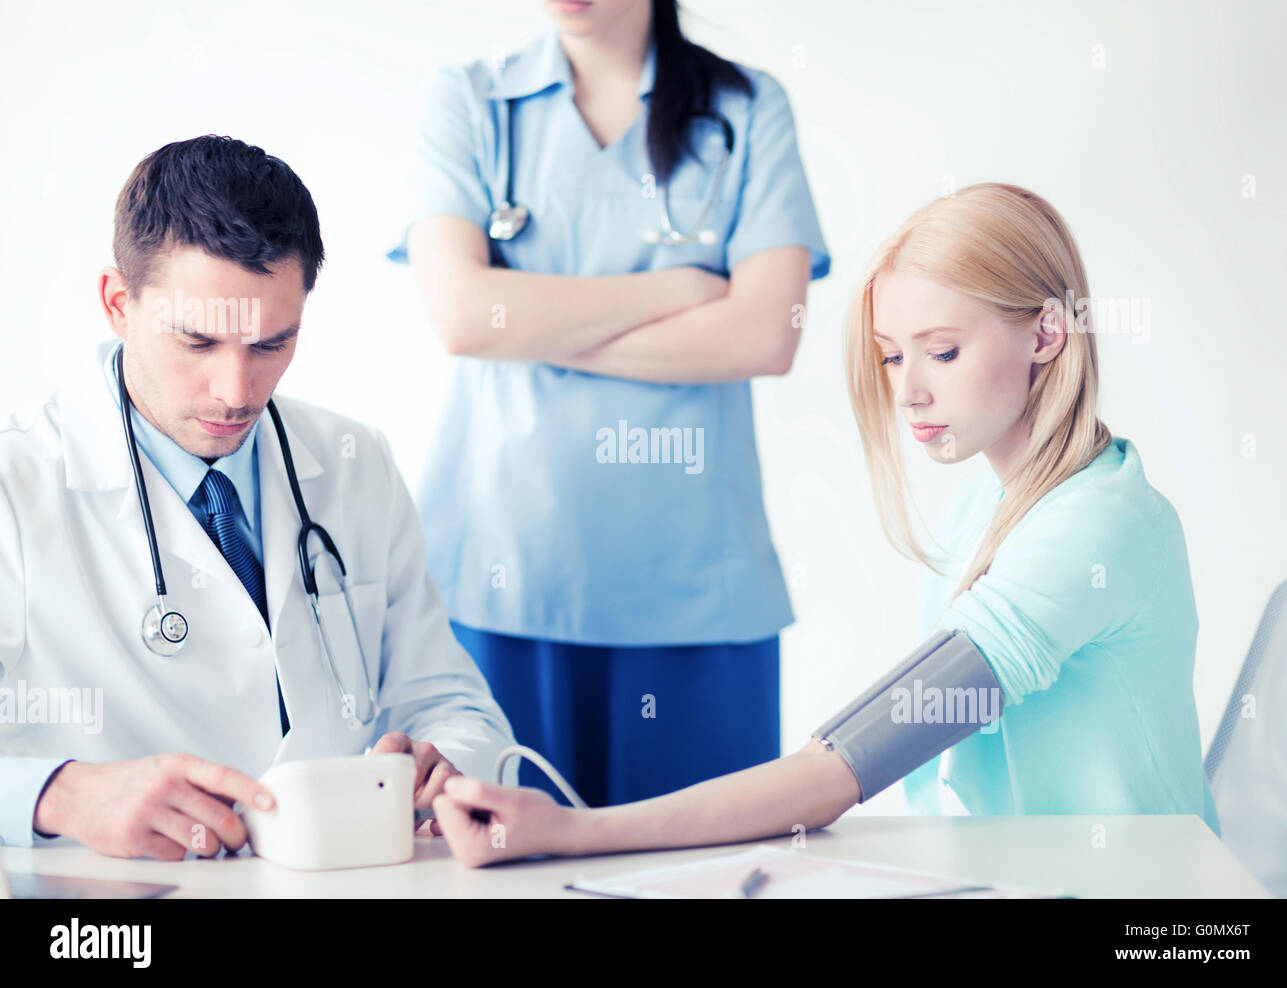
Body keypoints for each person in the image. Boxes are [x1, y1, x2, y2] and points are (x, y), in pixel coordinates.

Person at [429, 183, 1221, 866]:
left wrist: (576, 830)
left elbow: (853, 759)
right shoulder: (990, 500)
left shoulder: (1097, 527)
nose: (907, 391)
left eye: (941, 352)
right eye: (890, 356)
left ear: (1047, 333)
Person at [0, 136, 516, 858]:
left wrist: (448, 759)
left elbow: (450, 700)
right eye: (199, 342)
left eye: (272, 344)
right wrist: (57, 793)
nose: (237, 392)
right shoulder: (16, 485)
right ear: (119, 303)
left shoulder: (354, 462)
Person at [388, 0, 830, 806]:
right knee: (498, 874)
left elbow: (767, 332)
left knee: (699, 877)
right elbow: (462, 317)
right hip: (503, 581)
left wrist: (529, 322)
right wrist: (676, 289)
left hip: (695, 595)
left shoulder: (747, 108)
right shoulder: (471, 100)